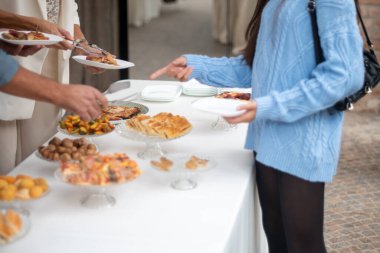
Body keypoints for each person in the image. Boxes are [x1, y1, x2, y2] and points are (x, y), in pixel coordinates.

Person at [150, 0, 364, 252]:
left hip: (303, 140)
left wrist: (271, 105)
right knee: (277, 242)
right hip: (266, 140)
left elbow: (346, 74)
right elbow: (257, 70)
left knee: (303, 245)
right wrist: (197, 65)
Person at [0, 1, 104, 172]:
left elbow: (70, 6)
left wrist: (82, 44)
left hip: (52, 60)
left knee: (42, 163)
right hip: (7, 59)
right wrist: (33, 24)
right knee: (5, 164)